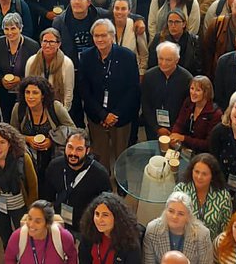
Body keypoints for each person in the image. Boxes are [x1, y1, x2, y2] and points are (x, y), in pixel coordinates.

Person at [78, 19, 140, 175]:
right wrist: (102, 115)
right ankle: (103, 183)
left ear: (112, 36)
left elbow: (133, 89)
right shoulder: (86, 57)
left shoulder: (127, 56)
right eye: (96, 36)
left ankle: (121, 181)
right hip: (96, 116)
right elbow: (84, 90)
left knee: (121, 154)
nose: (99, 39)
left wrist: (115, 114)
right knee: (100, 156)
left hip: (121, 117)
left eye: (103, 35)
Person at [0, 123, 39, 247]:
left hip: (19, 206)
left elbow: (33, 186)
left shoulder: (23, 159)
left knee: (25, 238)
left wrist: (31, 211)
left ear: (10, 143)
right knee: (6, 239)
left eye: (2, 142)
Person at [42, 128, 110, 230]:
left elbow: (105, 206)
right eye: (70, 147)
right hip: (59, 221)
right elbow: (47, 197)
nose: (73, 153)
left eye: (79, 149)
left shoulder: (100, 174)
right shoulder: (54, 166)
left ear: (87, 151)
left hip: (86, 226)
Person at [141, 41, 194, 141]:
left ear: (177, 60)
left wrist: (175, 129)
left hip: (177, 130)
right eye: (160, 59)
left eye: (168, 60)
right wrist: (157, 128)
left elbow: (188, 108)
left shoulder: (187, 79)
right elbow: (145, 104)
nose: (163, 63)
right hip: (153, 128)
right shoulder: (149, 76)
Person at [142, 191, 214, 264]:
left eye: (181, 214)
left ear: (188, 216)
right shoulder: (152, 230)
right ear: (165, 211)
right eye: (171, 211)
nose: (174, 217)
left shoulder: (202, 235)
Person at [174, 153, 233, 237]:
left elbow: (226, 229)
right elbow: (173, 220)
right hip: (184, 242)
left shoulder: (223, 196)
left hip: (211, 245)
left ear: (212, 176)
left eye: (204, 174)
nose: (199, 177)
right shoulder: (181, 190)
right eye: (196, 172)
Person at [78, 193, 142, 264]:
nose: (99, 219)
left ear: (117, 218)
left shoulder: (130, 243)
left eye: (105, 215)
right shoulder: (88, 234)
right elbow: (83, 260)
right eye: (97, 214)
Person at [168, 75, 222, 154]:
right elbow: (179, 123)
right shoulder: (188, 102)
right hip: (183, 148)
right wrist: (174, 135)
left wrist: (183, 138)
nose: (193, 93)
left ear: (206, 92)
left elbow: (208, 144)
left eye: (198, 90)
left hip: (202, 153)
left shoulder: (215, 114)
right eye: (192, 88)